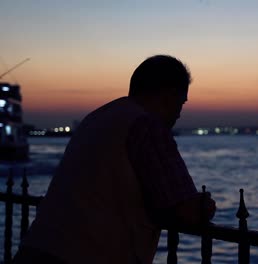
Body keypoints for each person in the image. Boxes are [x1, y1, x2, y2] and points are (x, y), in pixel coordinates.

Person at [13, 55, 216, 264]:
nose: (179, 114)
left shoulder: (96, 118)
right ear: (169, 95)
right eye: (181, 103)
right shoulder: (148, 126)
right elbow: (184, 209)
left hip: (35, 249)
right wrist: (205, 206)